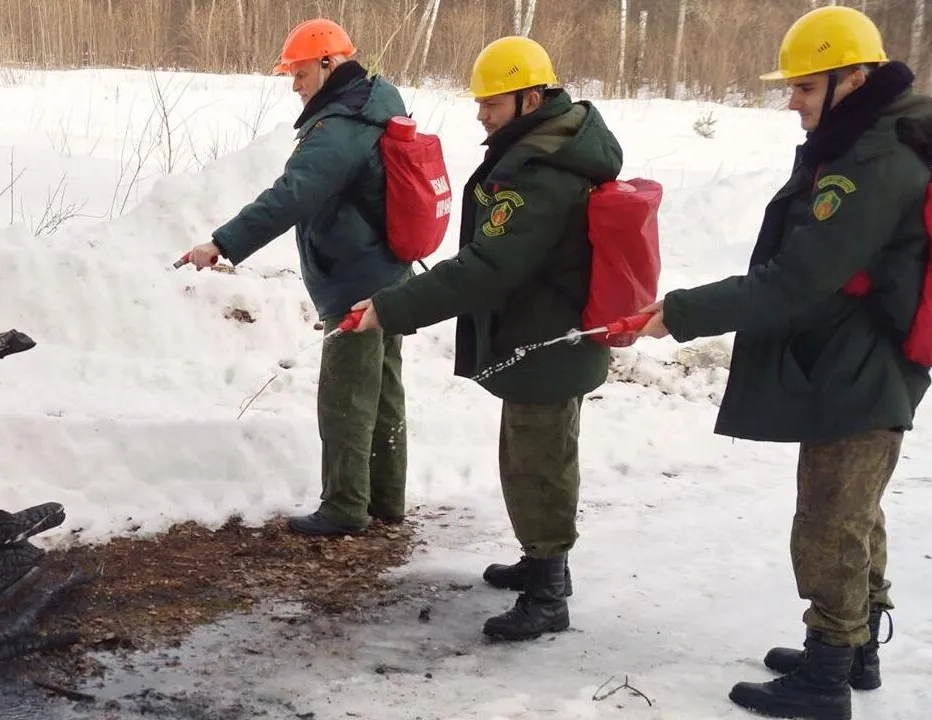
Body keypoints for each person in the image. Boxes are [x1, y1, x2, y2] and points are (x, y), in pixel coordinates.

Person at [635, 6, 932, 718]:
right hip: (854, 355)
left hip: (861, 364)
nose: (791, 100)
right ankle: (855, 648)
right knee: (854, 511)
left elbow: (796, 277)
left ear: (851, 79)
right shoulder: (859, 137)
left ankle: (827, 676)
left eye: (804, 86)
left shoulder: (873, 162)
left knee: (829, 519)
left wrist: (676, 312)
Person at [349, 36, 623, 641]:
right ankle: (539, 561)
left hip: (547, 339)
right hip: (547, 335)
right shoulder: (546, 148)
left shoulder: (542, 171)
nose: (481, 114)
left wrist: (392, 307)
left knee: (538, 464)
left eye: (492, 103)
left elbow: (487, 267)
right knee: (533, 455)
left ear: (530, 98)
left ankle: (549, 591)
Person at [186, 18, 413, 536]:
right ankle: (385, 498)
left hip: (357, 278)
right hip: (388, 268)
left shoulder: (341, 127)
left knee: (348, 395)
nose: (295, 84)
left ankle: (345, 507)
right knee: (383, 387)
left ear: (330, 64)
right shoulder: (374, 104)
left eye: (301, 72)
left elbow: (291, 195)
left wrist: (221, 243)